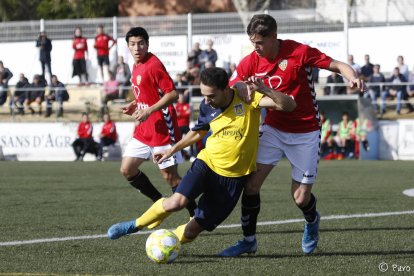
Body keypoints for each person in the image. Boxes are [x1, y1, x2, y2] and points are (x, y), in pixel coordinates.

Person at [218, 14, 366, 257]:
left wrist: (352, 76)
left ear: (274, 37)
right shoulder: (251, 61)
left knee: (299, 197)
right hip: (274, 129)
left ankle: (311, 221)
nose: (256, 48)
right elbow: (233, 84)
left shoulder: (299, 52)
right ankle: (248, 241)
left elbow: (338, 65)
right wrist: (240, 87)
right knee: (252, 184)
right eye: (252, 42)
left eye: (260, 43)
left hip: (306, 131)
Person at [106, 67, 296, 245]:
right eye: (203, 95)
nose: (206, 101)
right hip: (207, 164)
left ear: (225, 89)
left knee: (191, 232)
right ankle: (135, 225)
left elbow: (289, 105)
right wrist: (171, 150)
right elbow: (198, 132)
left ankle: (167, 244)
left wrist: (265, 89)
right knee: (176, 202)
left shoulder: (248, 99)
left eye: (211, 96)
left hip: (233, 179)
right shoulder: (207, 106)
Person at [118, 27, 197, 226]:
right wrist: (134, 104)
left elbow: (172, 95)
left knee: (171, 178)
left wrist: (148, 111)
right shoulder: (135, 65)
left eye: (141, 43)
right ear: (128, 46)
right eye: (133, 44)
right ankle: (158, 205)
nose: (137, 48)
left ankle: (196, 214)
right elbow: (146, 93)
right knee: (127, 169)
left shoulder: (153, 65)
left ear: (148, 44)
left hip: (163, 127)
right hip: (145, 129)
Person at [174, 91, 192, 159]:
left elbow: (188, 114)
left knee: (191, 139)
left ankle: (192, 154)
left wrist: (180, 114)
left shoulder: (187, 105)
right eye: (180, 98)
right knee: (178, 142)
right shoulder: (176, 106)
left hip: (186, 126)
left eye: (182, 97)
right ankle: (180, 155)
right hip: (179, 126)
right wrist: (184, 114)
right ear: (178, 99)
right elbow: (176, 115)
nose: (181, 99)